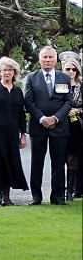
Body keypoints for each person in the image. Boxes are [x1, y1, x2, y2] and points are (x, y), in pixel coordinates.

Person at [24, 46, 73, 206]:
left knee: (58, 163)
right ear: (40, 59)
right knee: (36, 162)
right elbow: (29, 102)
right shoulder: (32, 77)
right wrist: (43, 118)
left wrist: (55, 118)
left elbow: (68, 102)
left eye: (50, 58)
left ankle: (57, 197)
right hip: (39, 127)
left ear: (56, 60)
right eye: (44, 57)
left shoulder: (64, 78)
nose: (47, 61)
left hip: (59, 127)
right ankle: (36, 197)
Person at [0, 57, 29, 208]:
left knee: (10, 163)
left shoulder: (17, 91)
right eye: (4, 70)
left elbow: (21, 114)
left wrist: (23, 134)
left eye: (10, 70)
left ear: (14, 72)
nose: (7, 72)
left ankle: (6, 198)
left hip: (12, 134)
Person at [61, 58, 82, 201]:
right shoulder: (60, 85)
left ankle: (71, 190)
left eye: (74, 69)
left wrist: (77, 111)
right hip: (62, 125)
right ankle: (59, 190)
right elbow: (55, 103)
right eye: (68, 69)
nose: (71, 72)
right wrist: (65, 111)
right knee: (60, 158)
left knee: (73, 158)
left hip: (76, 127)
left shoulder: (81, 86)